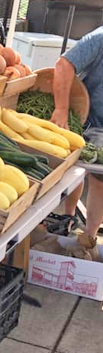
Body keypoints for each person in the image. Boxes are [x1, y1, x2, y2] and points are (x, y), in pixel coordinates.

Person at [52, 26, 103, 238]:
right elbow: (64, 65)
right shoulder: (100, 38)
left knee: (100, 180)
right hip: (87, 117)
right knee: (73, 168)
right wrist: (62, 109)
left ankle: (89, 237)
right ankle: (68, 215)